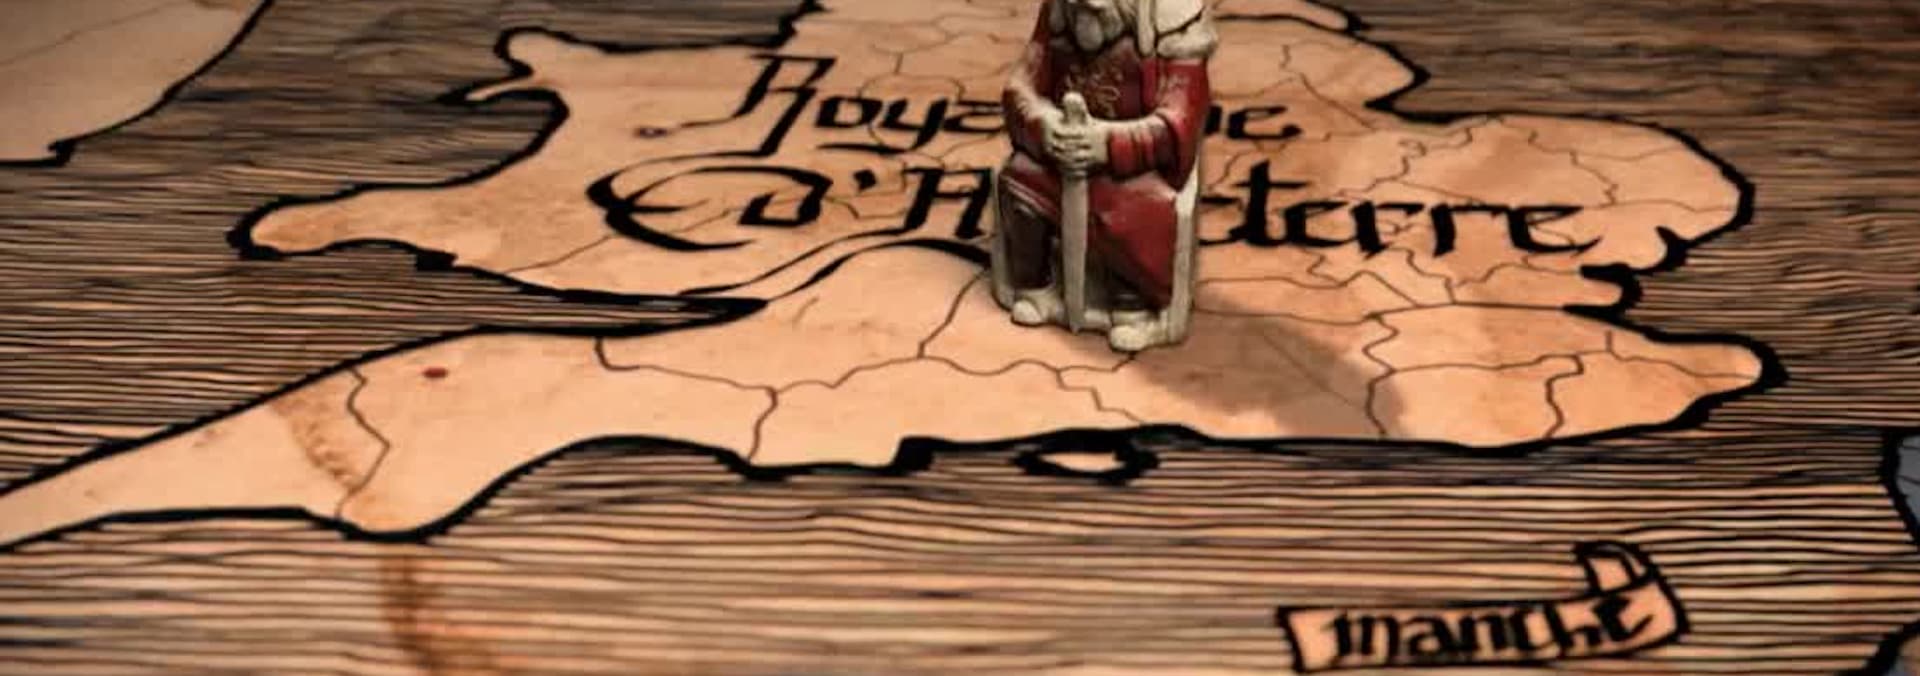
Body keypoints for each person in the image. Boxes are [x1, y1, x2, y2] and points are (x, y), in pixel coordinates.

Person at [994, 0, 1216, 352]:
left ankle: (1132, 304)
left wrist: (1108, 144)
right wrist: (1042, 124)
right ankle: (1036, 287)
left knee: (1137, 207)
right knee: (1021, 178)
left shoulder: (1177, 25)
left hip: (1135, 171)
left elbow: (1181, 119)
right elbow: (1022, 85)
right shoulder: (1058, 13)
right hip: (1060, 160)